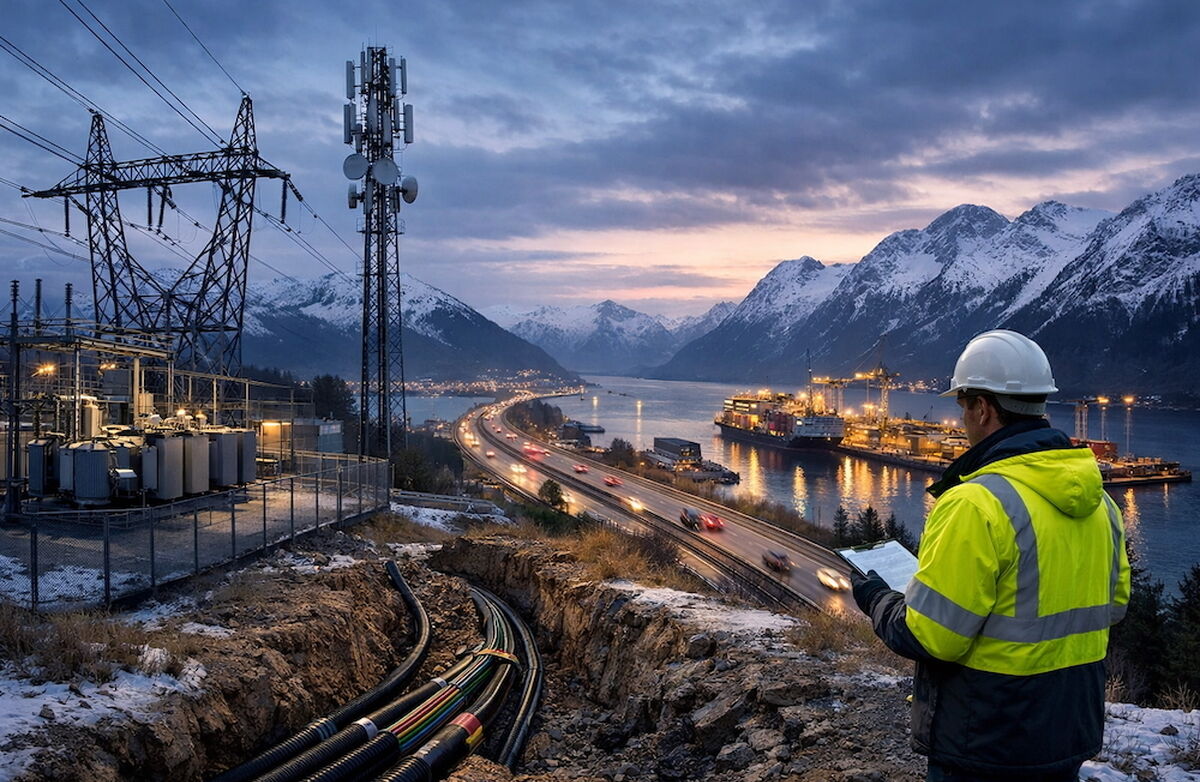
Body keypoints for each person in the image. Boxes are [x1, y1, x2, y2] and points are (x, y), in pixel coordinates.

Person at [850, 329, 1130, 781]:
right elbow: (1113, 608)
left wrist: (875, 595)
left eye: (962, 405)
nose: (962, 418)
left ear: (982, 407)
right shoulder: (1102, 506)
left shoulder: (974, 503)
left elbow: (932, 637)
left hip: (986, 738)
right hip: (1069, 728)